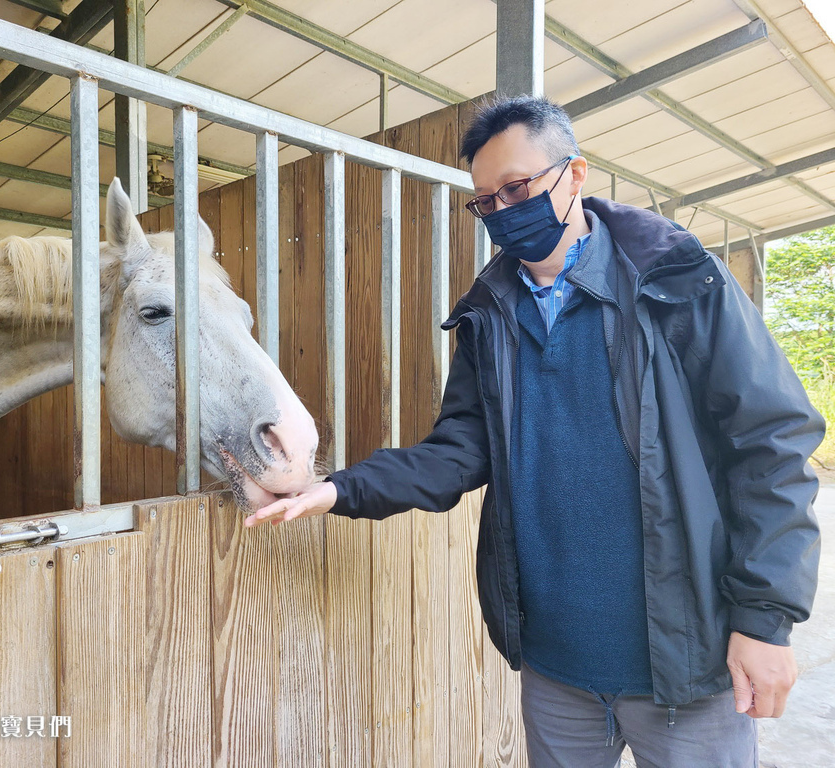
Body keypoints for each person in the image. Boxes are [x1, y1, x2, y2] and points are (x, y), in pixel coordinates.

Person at [244, 95, 825, 767]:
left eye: (516, 189)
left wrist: (764, 620)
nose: (500, 212)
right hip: (556, 671)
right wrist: (340, 490)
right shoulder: (489, 314)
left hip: (683, 665)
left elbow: (771, 445)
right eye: (484, 202)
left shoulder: (680, 284)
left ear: (575, 174)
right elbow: (460, 448)